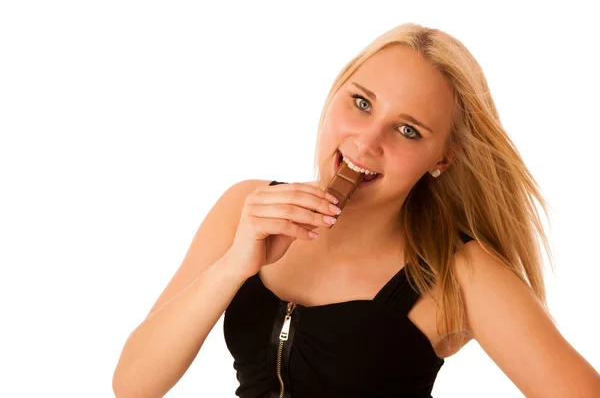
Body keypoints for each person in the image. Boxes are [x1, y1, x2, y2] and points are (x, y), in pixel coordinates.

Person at [112, 23, 600, 397]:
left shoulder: (461, 273)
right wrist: (235, 265)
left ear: (442, 160)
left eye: (408, 130)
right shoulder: (247, 207)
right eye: (362, 102)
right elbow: (133, 385)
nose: (367, 141)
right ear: (336, 91)